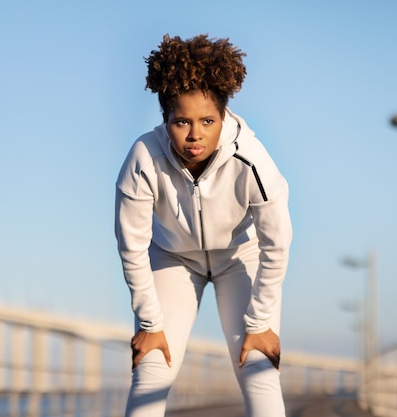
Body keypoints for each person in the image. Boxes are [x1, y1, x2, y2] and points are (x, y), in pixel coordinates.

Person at [114, 33, 292, 417]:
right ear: (165, 120)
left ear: (223, 116)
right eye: (182, 122)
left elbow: (276, 245)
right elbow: (132, 246)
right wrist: (149, 322)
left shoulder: (252, 161)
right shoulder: (144, 159)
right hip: (172, 258)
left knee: (259, 368)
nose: (195, 134)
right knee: (151, 368)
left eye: (207, 121)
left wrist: (260, 322)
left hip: (238, 258)